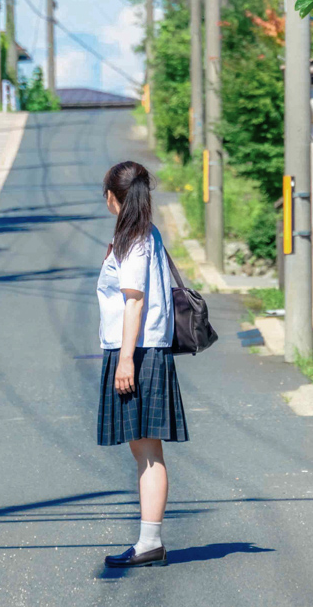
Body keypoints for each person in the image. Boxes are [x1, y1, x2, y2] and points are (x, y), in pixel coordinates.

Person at [96, 160, 188, 568]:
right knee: (145, 450)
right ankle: (149, 539)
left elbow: (134, 301)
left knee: (148, 452)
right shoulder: (143, 234)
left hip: (138, 350)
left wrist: (126, 360)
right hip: (145, 349)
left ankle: (150, 541)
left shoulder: (132, 238)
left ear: (113, 196)